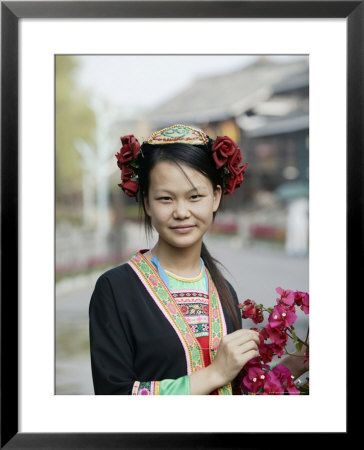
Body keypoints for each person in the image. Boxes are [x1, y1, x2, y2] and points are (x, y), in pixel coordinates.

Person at [89, 124, 307, 395]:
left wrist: (297, 362)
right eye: (166, 199)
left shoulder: (224, 290)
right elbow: (112, 400)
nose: (181, 212)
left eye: (195, 197)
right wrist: (214, 373)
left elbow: (235, 396)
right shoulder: (115, 289)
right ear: (146, 202)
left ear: (215, 197)